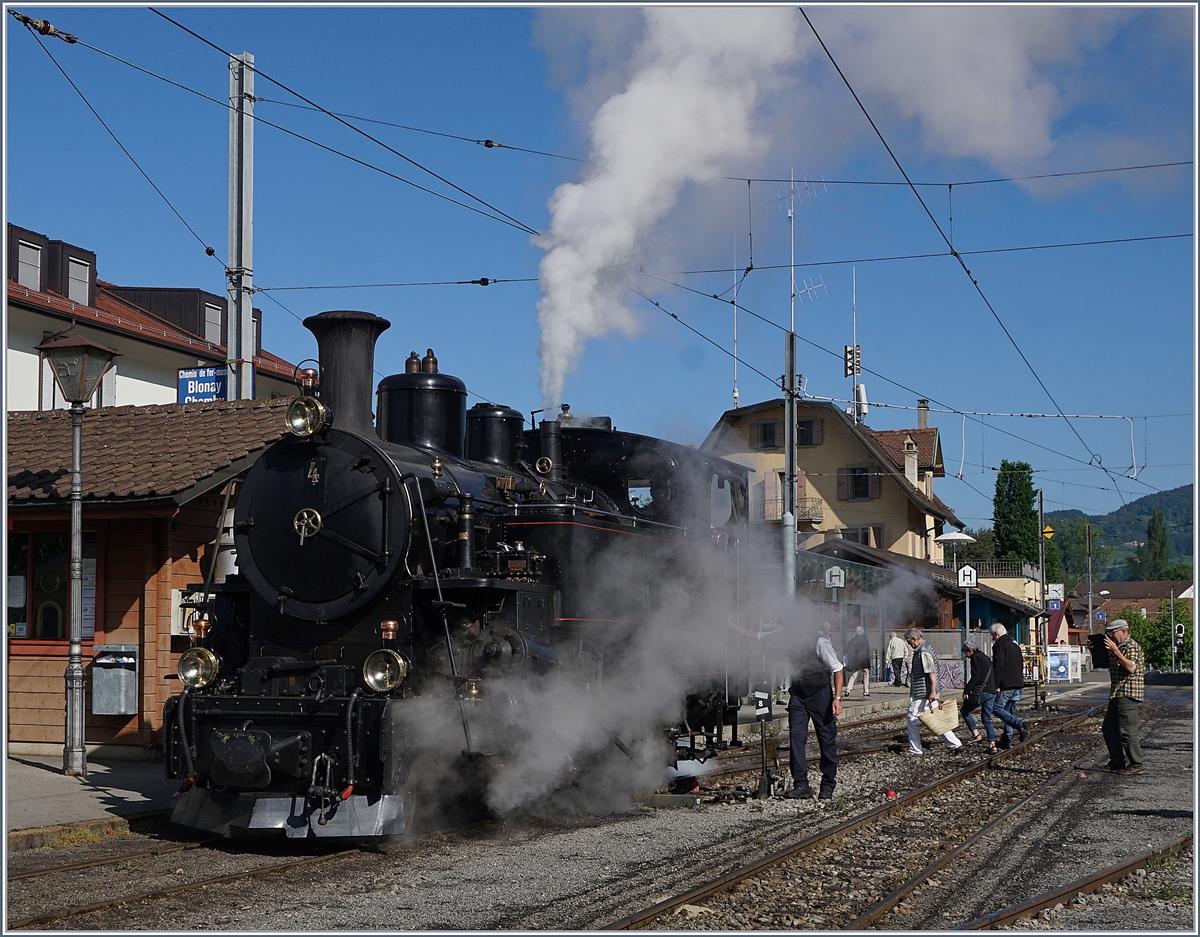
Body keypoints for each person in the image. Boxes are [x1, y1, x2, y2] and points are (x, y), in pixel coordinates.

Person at [784, 620, 844, 800]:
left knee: (826, 739)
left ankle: (827, 785)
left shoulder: (820, 643)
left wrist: (837, 698)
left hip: (820, 695)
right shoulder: (790, 643)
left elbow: (838, 668)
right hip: (798, 695)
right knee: (796, 737)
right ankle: (801, 784)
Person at [904, 626, 963, 755]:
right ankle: (954, 744)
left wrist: (932, 692)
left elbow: (932, 673)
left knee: (912, 718)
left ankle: (915, 749)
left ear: (914, 639)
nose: (909, 645)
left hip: (923, 692)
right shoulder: (924, 649)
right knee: (937, 719)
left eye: (909, 642)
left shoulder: (924, 651)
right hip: (925, 691)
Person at [1102, 619, 1145, 775]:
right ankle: (1117, 761)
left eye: (1113, 633)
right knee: (1109, 728)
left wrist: (1115, 650)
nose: (1111, 636)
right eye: (1110, 633)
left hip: (1128, 693)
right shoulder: (1118, 647)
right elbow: (1104, 664)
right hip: (1117, 693)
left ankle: (1136, 763)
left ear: (1124, 631)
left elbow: (1130, 667)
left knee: (1127, 731)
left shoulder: (1131, 647)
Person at [990, 623, 1029, 749]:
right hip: (1019, 683)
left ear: (996, 634)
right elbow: (1021, 663)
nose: (992, 638)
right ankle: (1007, 738)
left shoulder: (999, 645)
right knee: (1009, 711)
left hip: (1007, 684)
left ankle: (1019, 724)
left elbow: (999, 666)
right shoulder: (1014, 645)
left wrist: (996, 684)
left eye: (992, 635)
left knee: (996, 708)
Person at [961, 642, 1000, 753]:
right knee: (987, 719)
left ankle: (975, 734)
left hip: (982, 691)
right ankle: (992, 744)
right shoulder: (986, 658)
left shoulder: (975, 658)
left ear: (970, 650)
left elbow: (976, 676)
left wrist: (967, 689)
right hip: (992, 691)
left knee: (964, 710)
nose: (966, 655)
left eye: (965, 652)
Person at [842, 626, 872, 698]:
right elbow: (867, 650)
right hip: (863, 659)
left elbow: (847, 649)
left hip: (855, 660)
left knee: (853, 675)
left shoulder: (852, 640)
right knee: (865, 675)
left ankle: (848, 690)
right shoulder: (865, 640)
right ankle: (866, 692)